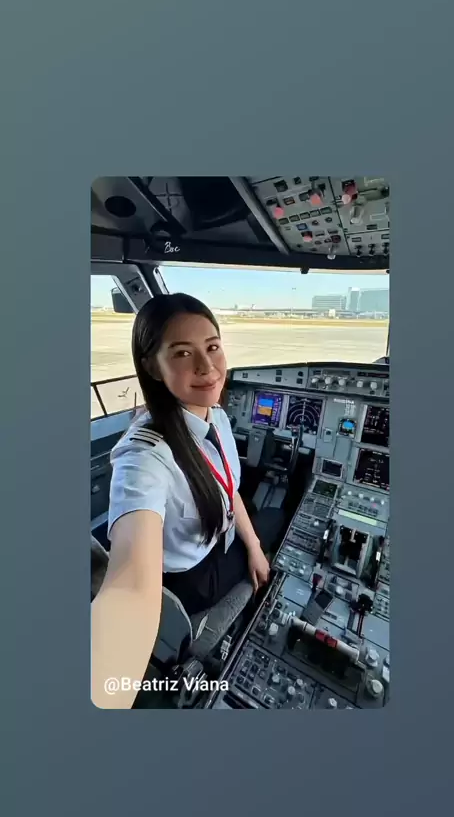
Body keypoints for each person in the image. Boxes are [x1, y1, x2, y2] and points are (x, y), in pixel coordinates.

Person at [91, 293, 281, 709]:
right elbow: (129, 588)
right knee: (276, 515)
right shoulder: (144, 455)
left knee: (258, 524)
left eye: (212, 347)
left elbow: (229, 488)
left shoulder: (217, 416)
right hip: (189, 577)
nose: (206, 366)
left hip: (218, 531)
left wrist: (252, 546)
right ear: (151, 367)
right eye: (182, 353)